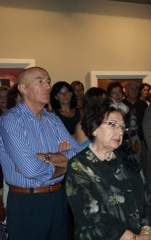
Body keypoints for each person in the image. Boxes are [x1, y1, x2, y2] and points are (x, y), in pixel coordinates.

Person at [0, 66, 79, 240]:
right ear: (23, 88)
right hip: (27, 202)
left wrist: (47, 157)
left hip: (58, 198)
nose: (48, 86)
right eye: (40, 81)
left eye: (48, 81)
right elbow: (30, 170)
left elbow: (78, 156)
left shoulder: (53, 119)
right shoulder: (11, 121)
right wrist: (64, 163)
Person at [66, 99, 151, 240]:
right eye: (112, 125)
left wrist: (148, 230)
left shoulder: (128, 158)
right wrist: (133, 238)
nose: (119, 132)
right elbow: (92, 215)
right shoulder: (79, 165)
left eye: (122, 127)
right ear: (94, 128)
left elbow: (149, 198)